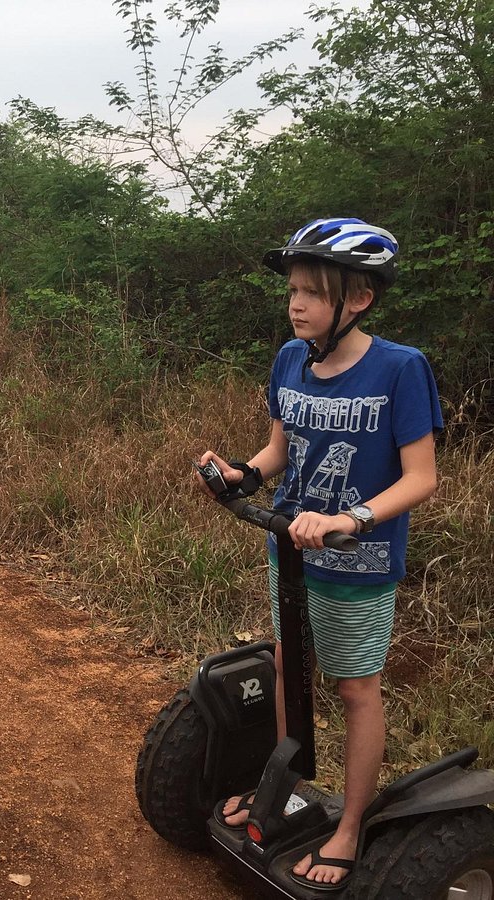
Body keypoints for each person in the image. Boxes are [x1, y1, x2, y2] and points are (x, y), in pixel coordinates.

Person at [199, 217, 441, 891]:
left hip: (357, 564)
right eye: (292, 291)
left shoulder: (400, 368)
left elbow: (421, 477)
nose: (295, 304)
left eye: (311, 292)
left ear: (357, 298)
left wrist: (350, 518)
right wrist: (241, 474)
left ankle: (348, 826)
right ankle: (288, 790)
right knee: (288, 668)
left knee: (356, 689)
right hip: (293, 550)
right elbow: (280, 451)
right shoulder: (290, 359)